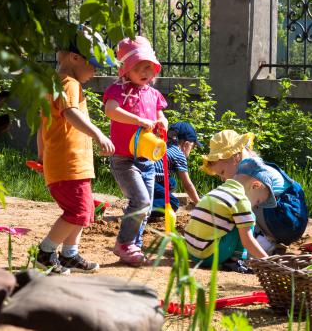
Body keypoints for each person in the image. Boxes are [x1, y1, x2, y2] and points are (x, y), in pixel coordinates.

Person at [36, 28, 116, 274]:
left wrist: (42, 158)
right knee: (78, 211)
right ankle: (46, 253)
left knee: (85, 210)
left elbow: (42, 128)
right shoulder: (68, 83)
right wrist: (99, 134)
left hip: (69, 163)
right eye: (93, 65)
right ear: (74, 58)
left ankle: (70, 254)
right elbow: (70, 114)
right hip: (68, 164)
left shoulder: (56, 83)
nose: (95, 72)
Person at [103, 36, 167, 266]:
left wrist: (162, 121)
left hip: (147, 158)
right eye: (138, 67)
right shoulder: (118, 89)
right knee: (139, 201)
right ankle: (124, 243)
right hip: (124, 159)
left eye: (148, 67)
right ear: (125, 70)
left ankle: (134, 246)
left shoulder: (152, 93)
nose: (145, 72)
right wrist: (138, 120)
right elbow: (111, 111)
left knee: (146, 206)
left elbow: (160, 113)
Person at [201, 130, 308, 253]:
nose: (223, 179)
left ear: (235, 157)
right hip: (288, 220)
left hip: (286, 218)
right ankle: (267, 240)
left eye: (222, 172)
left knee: (239, 206)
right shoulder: (253, 167)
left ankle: (262, 243)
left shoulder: (251, 175)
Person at [184, 157, 274, 273]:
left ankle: (231, 259)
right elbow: (247, 241)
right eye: (258, 201)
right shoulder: (240, 199)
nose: (256, 205)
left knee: (241, 218)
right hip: (209, 257)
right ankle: (236, 261)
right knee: (250, 216)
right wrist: (269, 262)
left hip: (193, 253)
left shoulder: (218, 191)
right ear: (255, 185)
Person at [150, 121, 201, 217]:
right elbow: (187, 185)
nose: (191, 150)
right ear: (186, 144)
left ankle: (150, 200)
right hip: (149, 180)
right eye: (192, 147)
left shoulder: (163, 145)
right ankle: (141, 210)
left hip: (143, 177)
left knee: (171, 182)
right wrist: (198, 203)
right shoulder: (179, 154)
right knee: (173, 203)